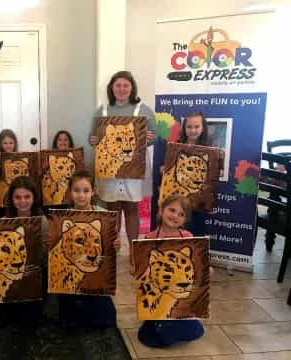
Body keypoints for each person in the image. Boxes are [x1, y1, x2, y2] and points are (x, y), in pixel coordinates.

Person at [89, 70, 157, 271]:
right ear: (112, 88)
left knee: (131, 210)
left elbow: (156, 137)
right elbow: (94, 138)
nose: (122, 89)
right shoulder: (101, 111)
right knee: (112, 210)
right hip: (109, 169)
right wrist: (92, 140)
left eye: (125, 85)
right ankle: (112, 252)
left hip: (133, 169)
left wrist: (148, 137)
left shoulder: (143, 110)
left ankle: (134, 255)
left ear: (131, 88)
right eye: (118, 85)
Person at [137, 194, 204, 348]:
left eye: (181, 214)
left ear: (185, 219)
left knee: (187, 324)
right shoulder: (149, 238)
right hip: (160, 296)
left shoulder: (188, 237)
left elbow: (196, 266)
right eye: (172, 210)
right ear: (161, 210)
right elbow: (142, 270)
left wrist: (206, 270)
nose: (175, 216)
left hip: (180, 300)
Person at [58, 170, 121, 329]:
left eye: (86, 191)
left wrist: (116, 245)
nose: (81, 195)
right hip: (71, 275)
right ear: (70, 192)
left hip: (97, 274)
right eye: (76, 190)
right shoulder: (63, 217)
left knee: (105, 317)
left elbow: (111, 247)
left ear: (93, 192)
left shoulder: (104, 215)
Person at [0, 176, 44, 333]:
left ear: (34, 198)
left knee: (30, 322)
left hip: (34, 277)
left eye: (27, 197)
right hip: (7, 278)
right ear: (11, 199)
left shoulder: (43, 222)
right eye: (18, 197)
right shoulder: (3, 223)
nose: (22, 201)